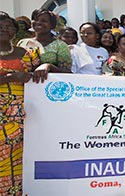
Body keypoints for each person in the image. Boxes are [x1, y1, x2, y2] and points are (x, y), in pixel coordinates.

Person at [0, 12, 47, 196]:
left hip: (23, 119)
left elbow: (41, 76)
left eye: (9, 27)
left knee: (20, 162)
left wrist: (46, 67)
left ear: (15, 31)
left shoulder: (27, 54)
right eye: (1, 26)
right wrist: (11, 78)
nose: (5, 30)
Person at [18, 8, 71, 74]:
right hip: (23, 83)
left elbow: (67, 72)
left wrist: (49, 66)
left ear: (52, 25)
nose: (39, 22)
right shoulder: (22, 43)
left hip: (48, 83)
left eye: (44, 21)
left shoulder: (60, 46)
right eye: (36, 19)